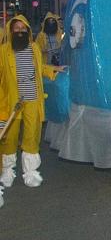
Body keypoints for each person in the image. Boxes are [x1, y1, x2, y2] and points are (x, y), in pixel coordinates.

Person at [0, 15, 66, 189]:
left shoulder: (34, 48)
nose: (20, 31)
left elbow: (40, 67)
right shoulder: (4, 50)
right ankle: (8, 170)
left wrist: (54, 69)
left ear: (28, 31)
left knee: (32, 135)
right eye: (17, 28)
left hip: (32, 100)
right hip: (12, 101)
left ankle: (30, 172)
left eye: (23, 28)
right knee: (10, 136)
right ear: (11, 30)